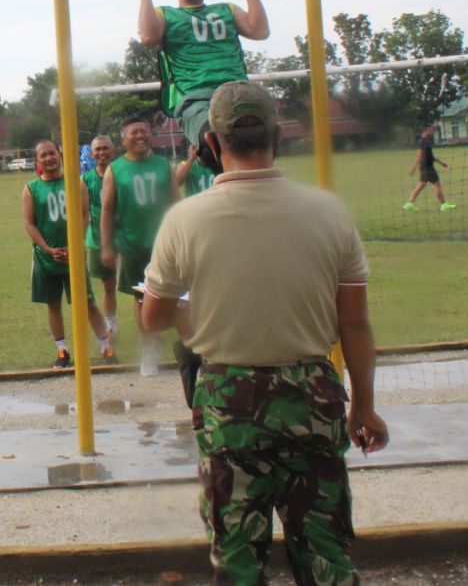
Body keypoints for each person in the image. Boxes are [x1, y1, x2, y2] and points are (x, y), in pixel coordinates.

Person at [140, 81, 388, 584]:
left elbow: (154, 318)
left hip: (229, 401)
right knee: (323, 553)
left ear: (211, 143)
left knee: (236, 556)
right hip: (313, 397)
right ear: (278, 136)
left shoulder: (184, 220)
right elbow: (355, 322)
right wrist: (363, 405)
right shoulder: (329, 212)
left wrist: (199, 317)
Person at [137, 0, 270, 175]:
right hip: (196, 96)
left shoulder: (226, 9)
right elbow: (148, 36)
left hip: (237, 91)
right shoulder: (166, 14)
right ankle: (231, 187)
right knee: (211, 143)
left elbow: (260, 31)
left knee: (260, 139)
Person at [21, 139, 111, 368]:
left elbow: (84, 217)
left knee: (87, 302)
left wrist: (73, 245)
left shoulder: (74, 183)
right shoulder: (31, 189)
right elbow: (30, 224)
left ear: (60, 155)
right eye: (43, 155)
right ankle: (62, 351)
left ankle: (105, 346)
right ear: (37, 161)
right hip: (46, 257)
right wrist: (48, 249)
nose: (49, 158)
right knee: (53, 304)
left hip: (73, 254)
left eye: (52, 153)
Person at [100, 118, 178, 376]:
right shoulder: (116, 169)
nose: (140, 135)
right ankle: (149, 346)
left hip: (164, 243)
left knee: (177, 295)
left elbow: (177, 203)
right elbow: (107, 211)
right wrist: (106, 246)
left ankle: (187, 346)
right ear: (124, 140)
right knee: (140, 297)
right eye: (134, 132)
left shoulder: (163, 165)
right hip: (133, 243)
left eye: (145, 131)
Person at [81, 134, 118, 362]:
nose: (101, 153)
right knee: (108, 285)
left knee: (136, 287)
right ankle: (112, 326)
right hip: (96, 240)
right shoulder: (85, 180)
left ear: (112, 150)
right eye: (97, 150)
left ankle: (148, 330)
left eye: (105, 148)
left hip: (123, 238)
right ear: (91, 153)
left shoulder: (121, 174)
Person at [404, 123, 456, 211]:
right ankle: (444, 205)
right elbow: (419, 156)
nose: (432, 131)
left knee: (421, 185)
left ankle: (409, 204)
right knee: (437, 185)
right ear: (425, 130)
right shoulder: (423, 141)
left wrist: (441, 163)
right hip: (427, 167)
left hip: (426, 167)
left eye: (432, 129)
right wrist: (413, 168)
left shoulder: (427, 140)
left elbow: (430, 156)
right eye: (430, 129)